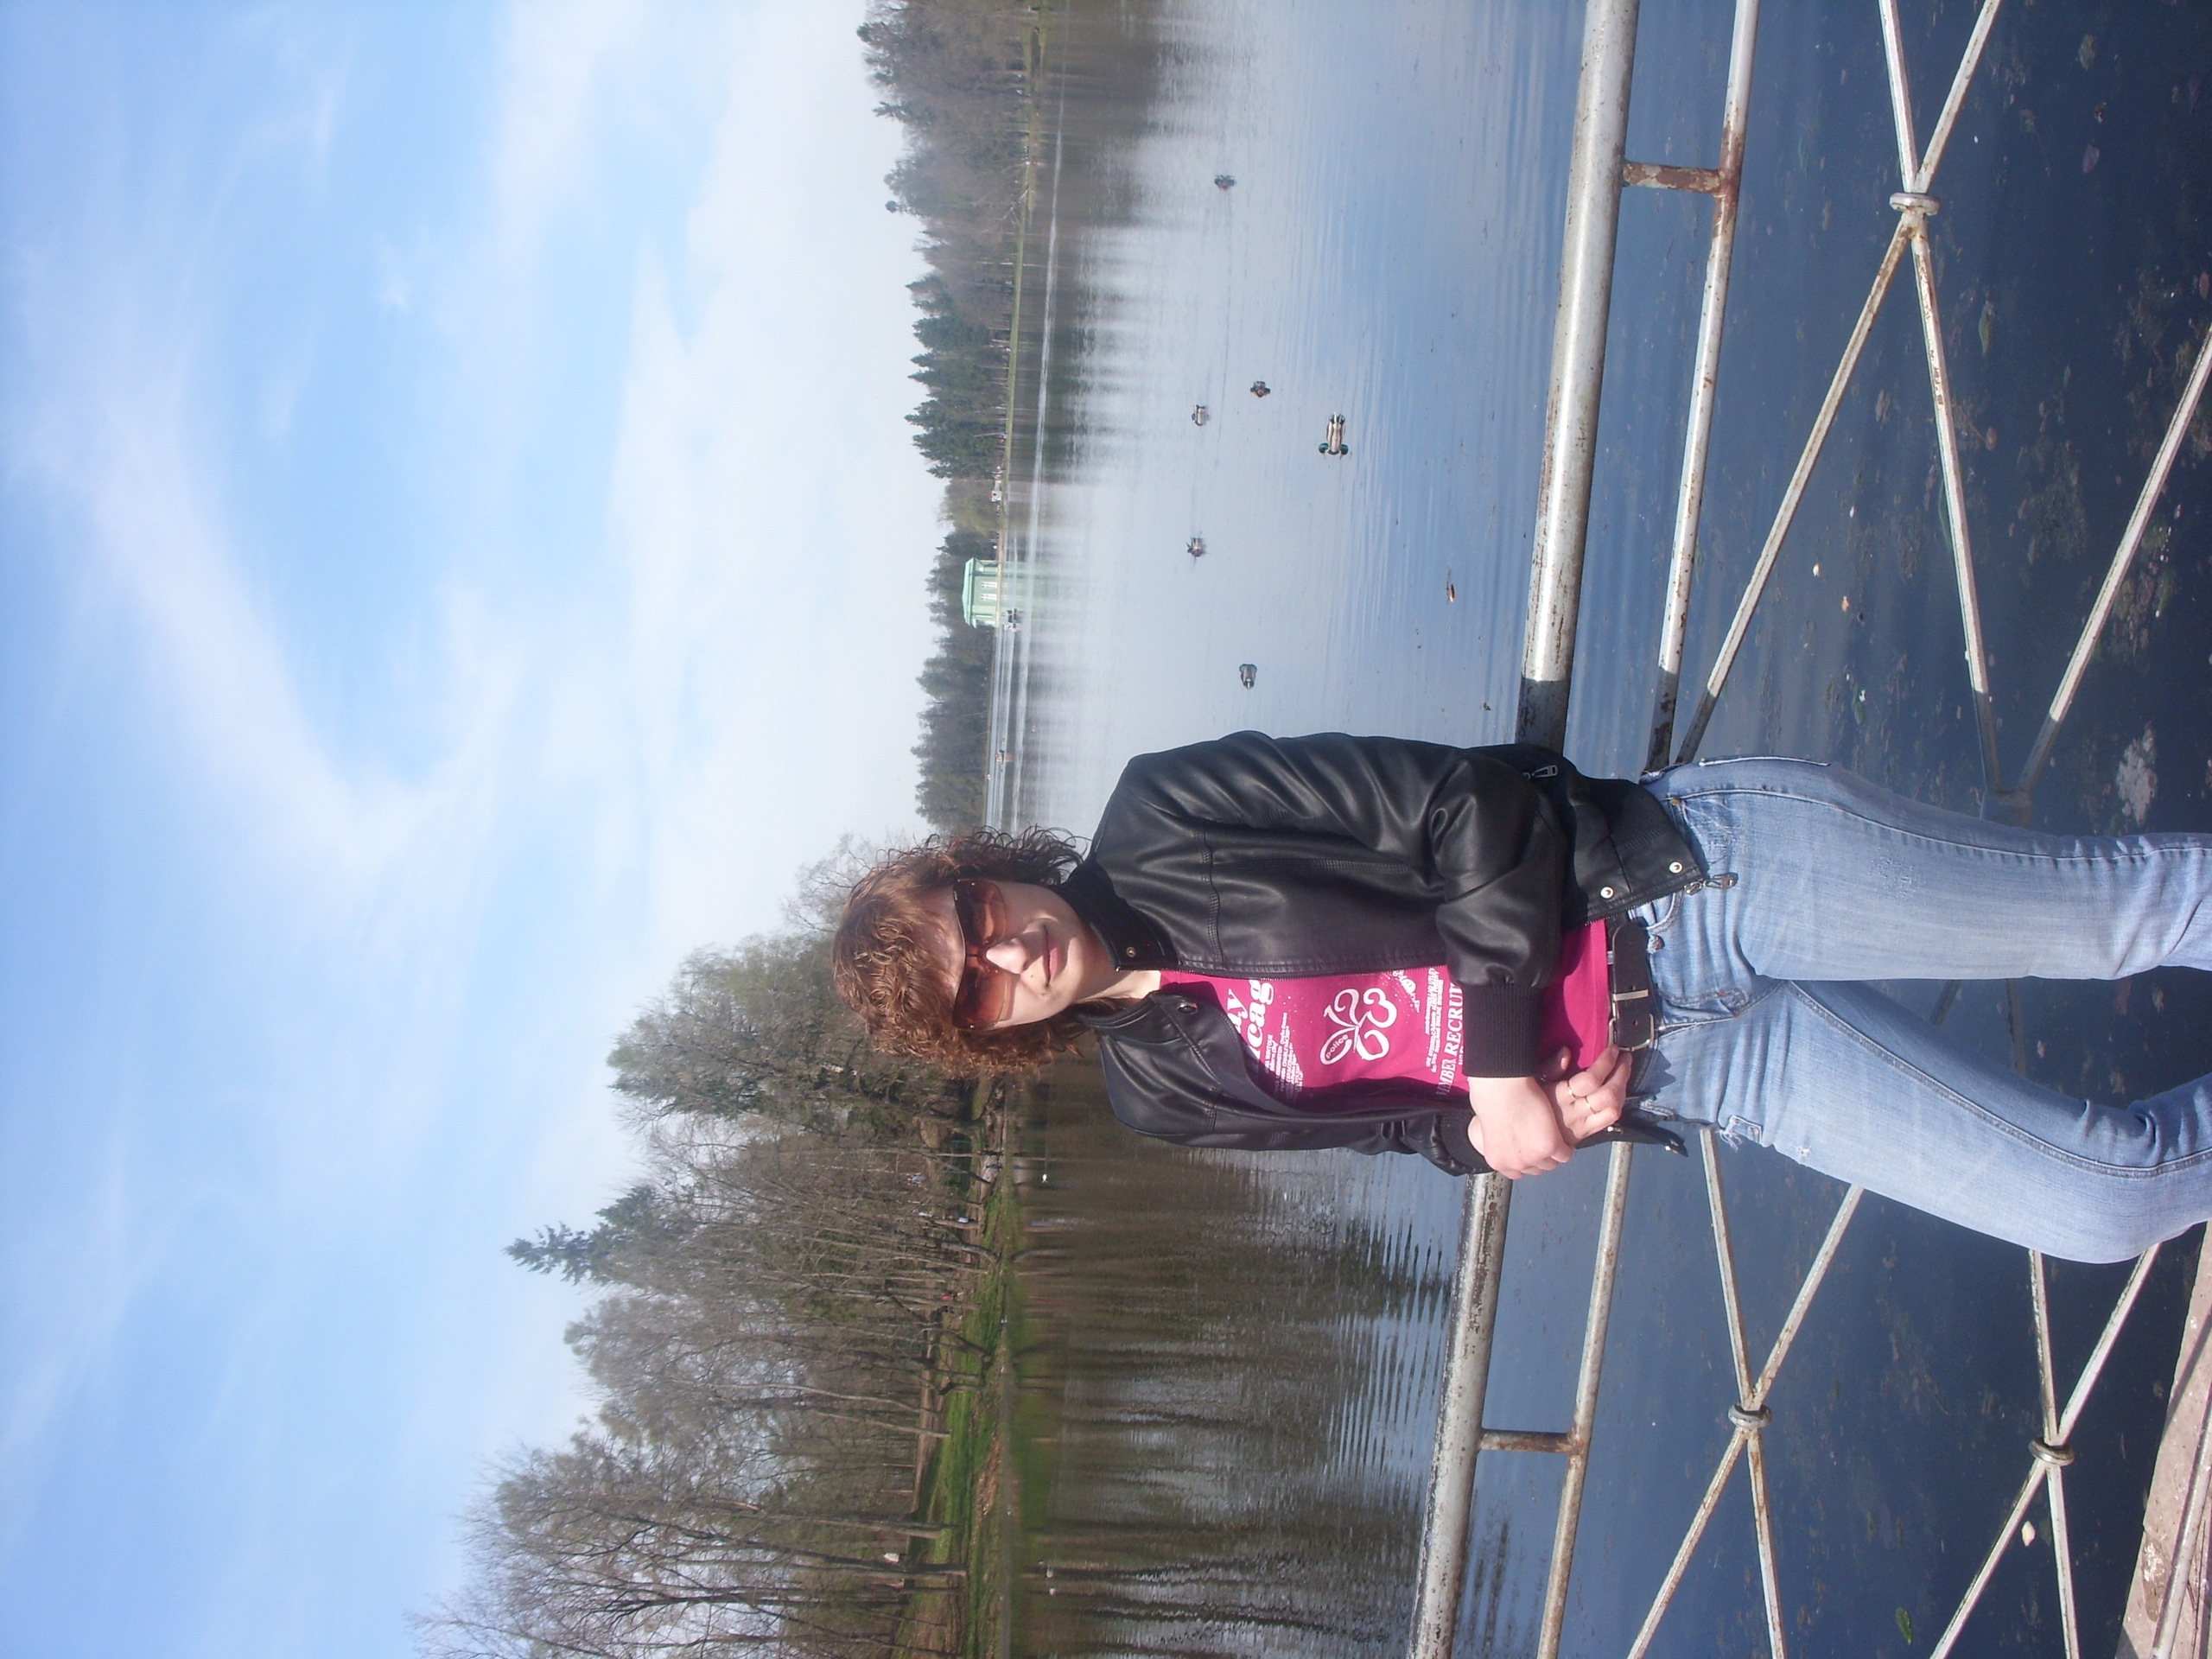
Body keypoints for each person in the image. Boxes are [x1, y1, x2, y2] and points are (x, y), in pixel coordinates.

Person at [833, 730, 2212, 1263]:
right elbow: (1399, 1123)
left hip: (1697, 882)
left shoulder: (1165, 809)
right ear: (985, 1041)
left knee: (2126, 916)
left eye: (979, 922)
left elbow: (1468, 805)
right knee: (2103, 1205)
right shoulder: (1158, 1094)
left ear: (987, 874)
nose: (1008, 960)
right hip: (1696, 1068)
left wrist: (1496, 1062)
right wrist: (1503, 1133)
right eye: (974, 997)